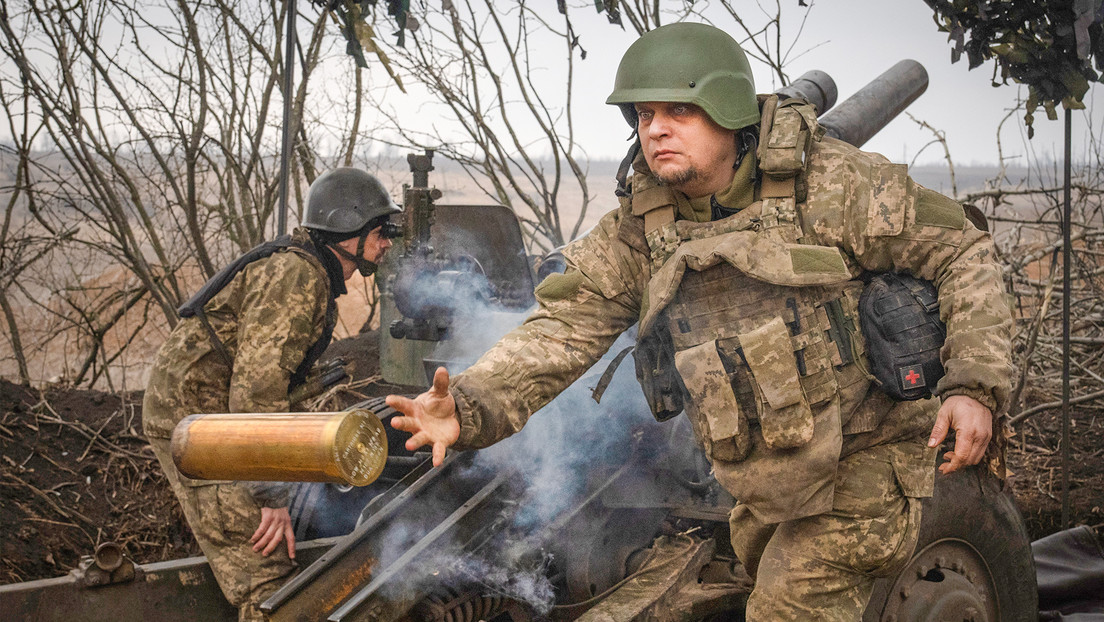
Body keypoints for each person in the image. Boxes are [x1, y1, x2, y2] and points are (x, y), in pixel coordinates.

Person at [386, 22, 1014, 621]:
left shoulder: (832, 186)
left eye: (677, 112)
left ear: (729, 110)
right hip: (768, 480)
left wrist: (973, 386)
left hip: (868, 457)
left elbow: (962, 251)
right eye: (643, 116)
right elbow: (559, 331)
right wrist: (466, 407)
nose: (655, 129)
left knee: (788, 605)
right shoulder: (642, 229)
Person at [142, 167, 400, 621]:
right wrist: (271, 497)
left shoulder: (308, 271)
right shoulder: (296, 275)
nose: (387, 244)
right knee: (269, 583)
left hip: (216, 417)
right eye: (379, 233)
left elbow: (272, 387)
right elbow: (255, 394)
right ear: (346, 230)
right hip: (199, 426)